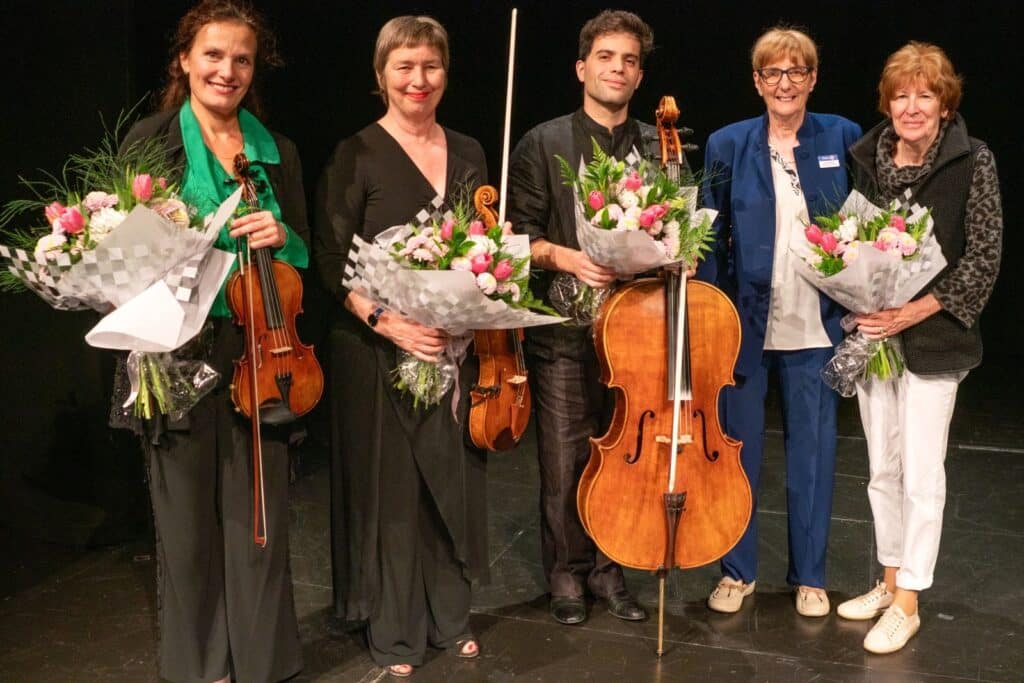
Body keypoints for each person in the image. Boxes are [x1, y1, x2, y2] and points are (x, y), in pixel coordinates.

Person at [119, 1, 308, 681]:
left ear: (254, 69)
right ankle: (202, 668)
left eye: (241, 59)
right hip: (179, 348)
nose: (226, 70)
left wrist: (285, 238)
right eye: (213, 55)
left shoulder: (276, 149)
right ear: (184, 60)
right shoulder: (151, 138)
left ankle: (261, 663)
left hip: (262, 346)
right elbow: (124, 249)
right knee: (188, 528)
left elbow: (307, 255)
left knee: (260, 517)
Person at [313, 16, 488, 678]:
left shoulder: (470, 150)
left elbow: (484, 249)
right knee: (392, 491)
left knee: (451, 480)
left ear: (446, 73)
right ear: (381, 74)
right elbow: (332, 259)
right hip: (377, 348)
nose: (419, 80)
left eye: (431, 66)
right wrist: (390, 321)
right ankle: (395, 632)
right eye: (405, 66)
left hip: (449, 346)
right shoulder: (355, 151)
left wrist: (469, 307)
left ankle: (450, 615)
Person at [836, 42, 1002, 654]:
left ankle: (910, 600)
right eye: (901, 95)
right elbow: (854, 243)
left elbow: (982, 259)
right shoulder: (869, 158)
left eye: (925, 95)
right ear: (888, 102)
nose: (911, 107)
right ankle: (887, 579)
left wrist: (915, 308)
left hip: (935, 338)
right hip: (879, 337)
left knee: (922, 476)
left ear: (944, 103)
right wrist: (857, 294)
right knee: (881, 470)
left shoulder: (972, 160)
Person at [696, 27, 861, 617]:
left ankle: (810, 577)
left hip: (817, 325)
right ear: (757, 81)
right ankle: (736, 573)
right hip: (743, 322)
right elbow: (708, 235)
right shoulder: (727, 143)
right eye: (773, 73)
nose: (784, 84)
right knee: (736, 452)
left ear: (812, 79)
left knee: (813, 454)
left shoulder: (841, 136)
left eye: (796, 72)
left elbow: (862, 228)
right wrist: (709, 314)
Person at [506, 9, 657, 626]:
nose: (616, 68)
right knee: (567, 459)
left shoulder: (656, 144)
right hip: (564, 330)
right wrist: (570, 257)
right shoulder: (543, 142)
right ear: (582, 67)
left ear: (639, 75)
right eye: (605, 57)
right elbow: (518, 238)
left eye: (628, 61)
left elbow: (675, 234)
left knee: (624, 457)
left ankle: (611, 568)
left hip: (639, 334)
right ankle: (567, 574)